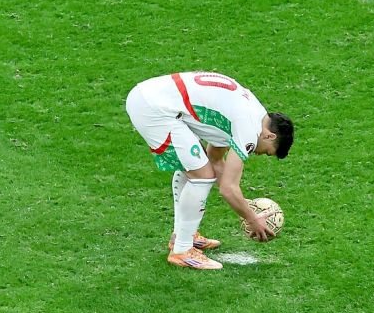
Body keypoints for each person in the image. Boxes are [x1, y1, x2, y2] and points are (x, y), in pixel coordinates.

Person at [126, 71, 295, 268]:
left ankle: (183, 235)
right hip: (154, 109)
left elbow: (215, 160)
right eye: (267, 152)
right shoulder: (250, 129)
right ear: (270, 137)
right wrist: (252, 219)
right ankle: (182, 250)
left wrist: (245, 206)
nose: (259, 154)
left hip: (151, 97)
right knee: (201, 175)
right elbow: (228, 188)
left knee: (197, 167)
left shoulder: (254, 112)